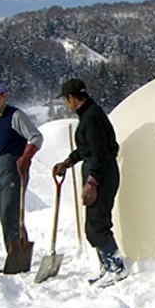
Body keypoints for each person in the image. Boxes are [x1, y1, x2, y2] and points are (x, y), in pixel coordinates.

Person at [52, 79, 127, 287]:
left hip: (101, 175)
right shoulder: (88, 115)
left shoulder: (92, 117)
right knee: (92, 225)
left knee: (98, 224)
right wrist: (68, 162)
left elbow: (101, 153)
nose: (66, 105)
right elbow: (87, 148)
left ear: (72, 98)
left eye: (66, 101)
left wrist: (92, 182)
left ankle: (117, 268)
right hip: (98, 172)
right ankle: (106, 267)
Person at [0, 80, 43, 262]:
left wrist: (26, 157)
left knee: (10, 210)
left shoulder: (15, 115)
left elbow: (36, 136)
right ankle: (14, 251)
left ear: (4, 96)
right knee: (5, 212)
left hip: (14, 165)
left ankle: (16, 252)